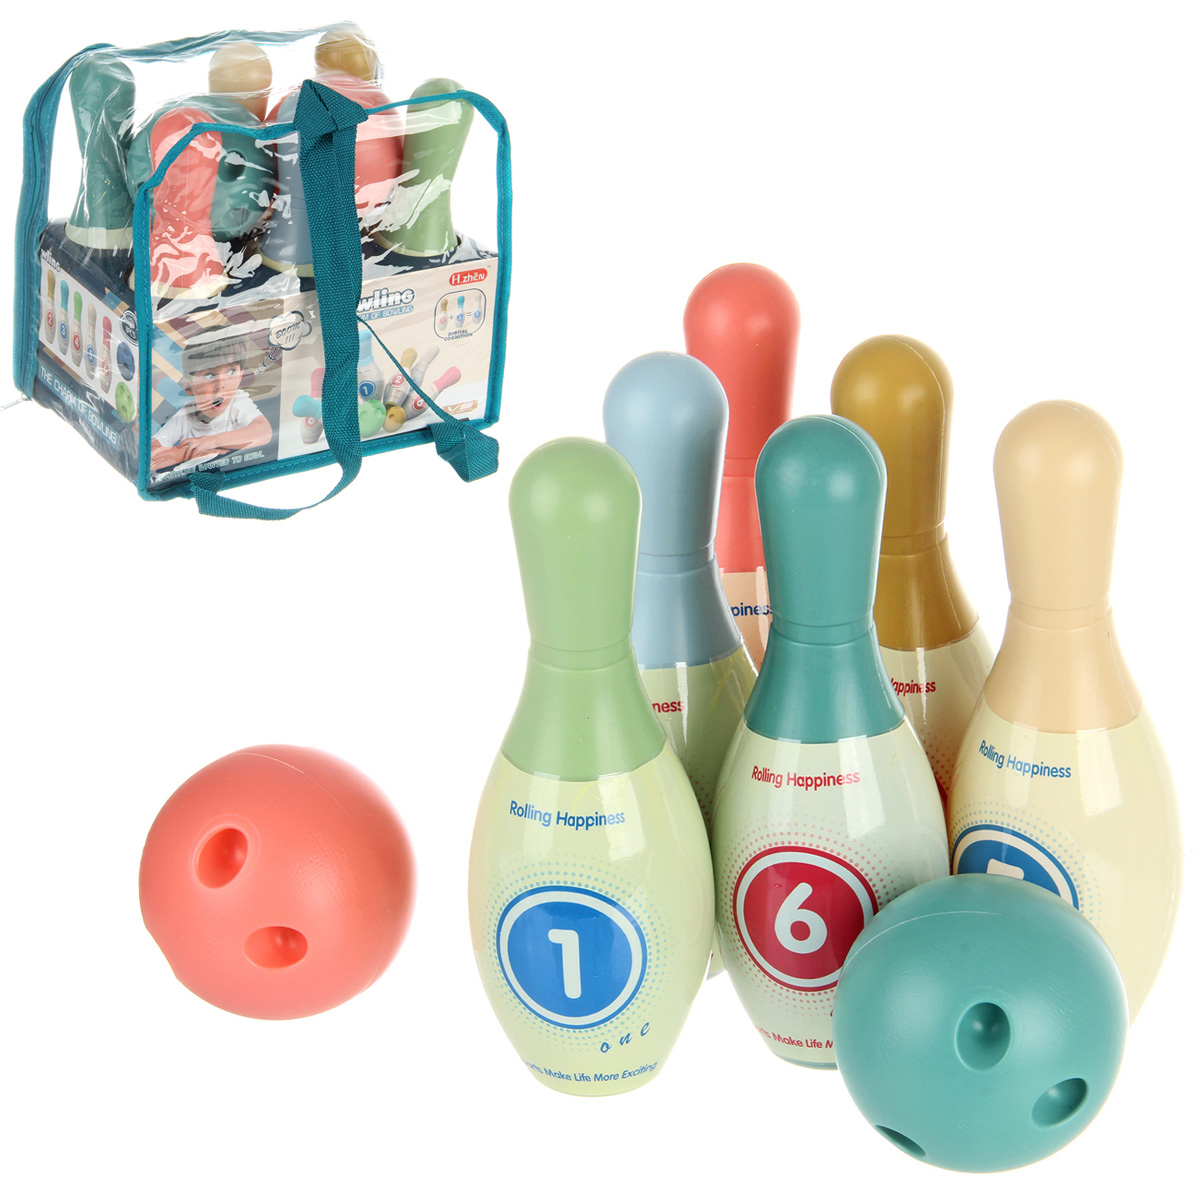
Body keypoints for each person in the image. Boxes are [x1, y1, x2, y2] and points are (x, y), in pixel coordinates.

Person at [150, 331, 272, 471]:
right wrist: (189, 451)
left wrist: (213, 441)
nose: (221, 384)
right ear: (189, 386)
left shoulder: (237, 402)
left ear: (240, 376)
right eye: (209, 375)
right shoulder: (185, 416)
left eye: (231, 372)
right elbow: (151, 455)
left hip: (238, 470)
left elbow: (264, 432)